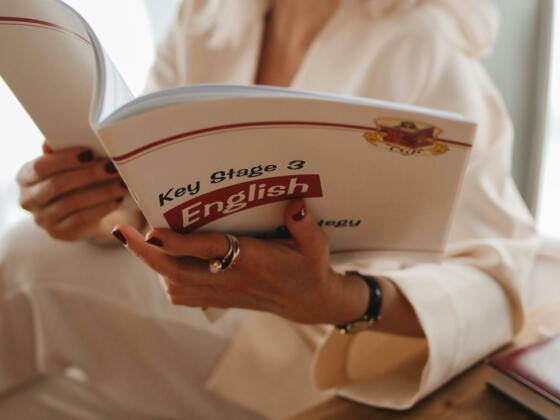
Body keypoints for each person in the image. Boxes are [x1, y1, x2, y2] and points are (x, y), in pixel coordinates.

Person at [0, 0, 539, 418]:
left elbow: (497, 280)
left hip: (319, 352)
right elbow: (146, 197)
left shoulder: (422, 47)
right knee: (33, 403)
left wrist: (340, 297)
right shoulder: (208, 16)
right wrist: (92, 212)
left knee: (29, 265)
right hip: (193, 296)